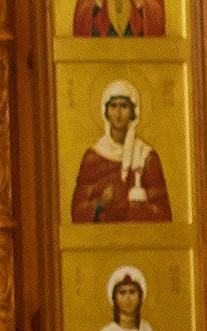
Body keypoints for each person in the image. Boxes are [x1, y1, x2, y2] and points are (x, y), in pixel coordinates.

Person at [70, 81, 172, 224]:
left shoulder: (146, 157)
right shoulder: (93, 157)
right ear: (105, 111)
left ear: (133, 112)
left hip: (139, 241)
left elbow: (164, 214)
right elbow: (77, 212)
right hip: (101, 241)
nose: (118, 113)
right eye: (113, 106)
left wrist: (131, 208)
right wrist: (100, 205)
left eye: (124, 106)